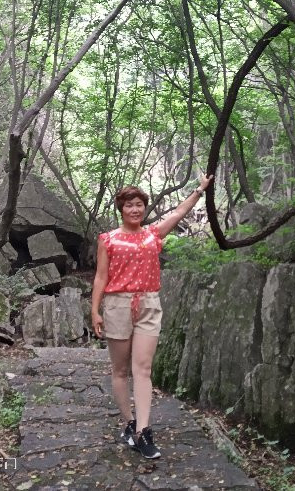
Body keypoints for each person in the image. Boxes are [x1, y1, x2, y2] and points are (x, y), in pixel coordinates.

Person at [91, 174, 214, 459]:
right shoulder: (107, 239)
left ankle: (143, 431)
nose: (134, 210)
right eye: (129, 205)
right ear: (120, 209)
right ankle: (129, 422)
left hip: (148, 303)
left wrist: (199, 189)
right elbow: (100, 277)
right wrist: (94, 310)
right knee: (120, 370)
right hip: (117, 305)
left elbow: (179, 212)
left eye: (139, 205)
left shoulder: (153, 235)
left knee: (143, 369)